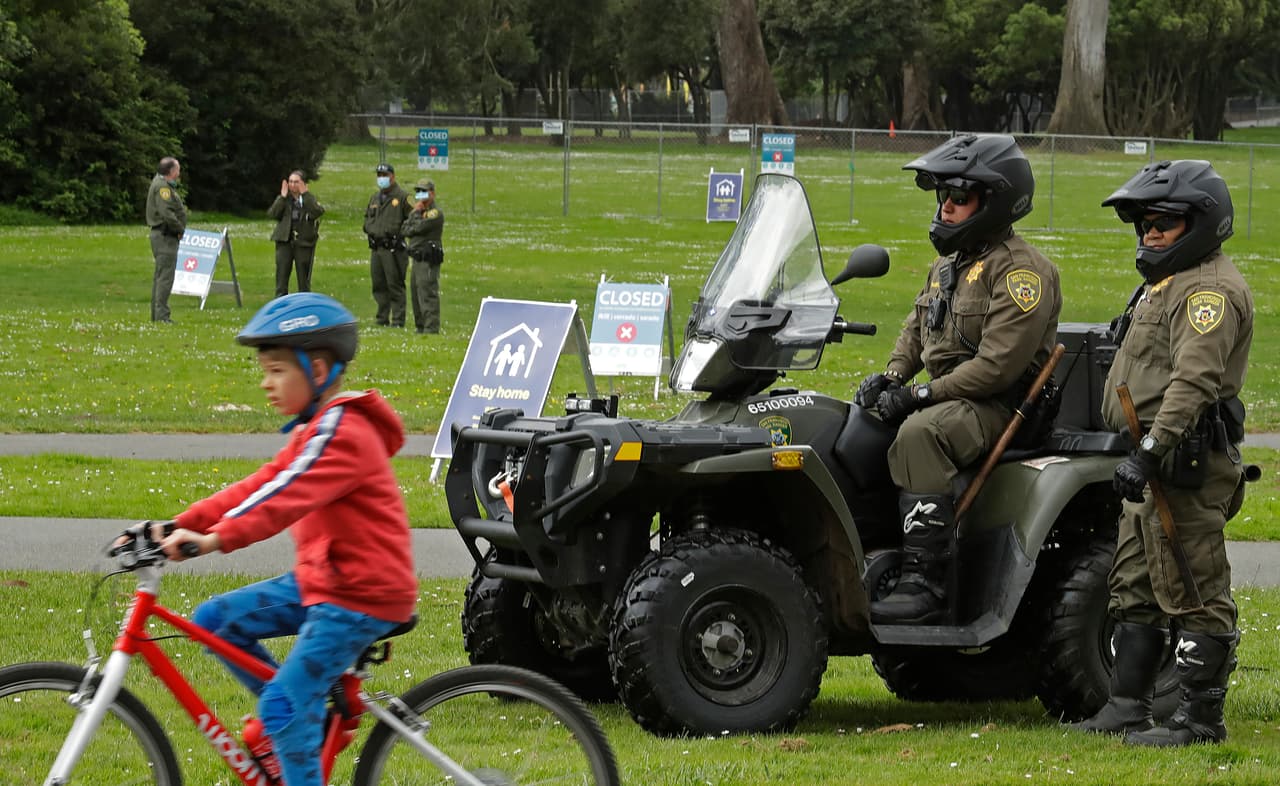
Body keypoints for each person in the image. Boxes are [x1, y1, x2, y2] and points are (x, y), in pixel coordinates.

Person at [149, 292, 418, 786]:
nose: (265, 383)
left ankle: (296, 726)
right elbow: (257, 486)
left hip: (361, 596)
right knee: (215, 622)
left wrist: (213, 540)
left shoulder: (343, 433)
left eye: (276, 370)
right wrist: (176, 524)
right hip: (324, 580)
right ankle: (302, 724)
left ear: (316, 370)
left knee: (282, 708)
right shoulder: (313, 430)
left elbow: (283, 498)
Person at [1071, 160, 1252, 747]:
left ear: (1199, 223)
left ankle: (1201, 720)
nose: (1149, 232)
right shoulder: (1165, 282)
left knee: (1195, 587)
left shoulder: (1208, 292)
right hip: (1150, 468)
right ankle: (1127, 706)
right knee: (1135, 583)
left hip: (1183, 466)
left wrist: (1149, 452)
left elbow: (1193, 383)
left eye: (1164, 222)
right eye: (1144, 222)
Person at [854, 133, 1062, 625]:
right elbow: (915, 330)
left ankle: (926, 585)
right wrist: (890, 377)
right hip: (953, 399)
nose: (945, 207)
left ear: (994, 201)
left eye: (958, 198)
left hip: (997, 406)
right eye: (942, 196)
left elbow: (996, 368)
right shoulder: (949, 264)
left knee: (920, 434)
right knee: (854, 424)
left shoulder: (1021, 273)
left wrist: (920, 394)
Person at [362, 163, 412, 327]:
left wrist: (399, 233)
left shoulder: (403, 197)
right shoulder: (375, 198)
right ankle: (382, 317)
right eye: (379, 175)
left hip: (393, 248)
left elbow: (414, 219)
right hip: (377, 247)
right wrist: (370, 229)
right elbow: (367, 218)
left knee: (395, 283)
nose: (381, 178)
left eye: (384, 175)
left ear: (393, 176)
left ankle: (398, 319)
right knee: (378, 284)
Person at [268, 171, 325, 297]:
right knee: (281, 278)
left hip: (303, 243)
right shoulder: (285, 199)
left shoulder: (309, 199)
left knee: (303, 280)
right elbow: (273, 214)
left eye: (296, 182)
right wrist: (282, 197)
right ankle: (281, 305)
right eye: (291, 182)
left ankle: (303, 305)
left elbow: (317, 212)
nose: (293, 185)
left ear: (303, 184)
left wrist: (305, 194)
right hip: (285, 242)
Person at [145, 156, 187, 323]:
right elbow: (167, 214)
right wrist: (180, 229)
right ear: (171, 171)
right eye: (177, 169)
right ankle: (162, 317)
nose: (179, 172)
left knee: (161, 276)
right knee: (165, 278)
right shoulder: (163, 188)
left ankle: (157, 316)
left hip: (162, 235)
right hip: (165, 236)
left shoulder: (161, 184)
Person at [401, 179, 445, 334]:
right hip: (416, 258)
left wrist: (416, 215)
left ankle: (431, 328)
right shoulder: (418, 211)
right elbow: (405, 229)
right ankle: (420, 327)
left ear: (432, 193)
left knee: (427, 293)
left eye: (424, 191)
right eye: (418, 191)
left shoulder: (435, 213)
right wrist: (415, 213)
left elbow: (418, 228)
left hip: (428, 259)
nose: (420, 195)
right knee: (415, 293)